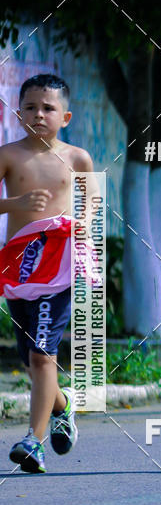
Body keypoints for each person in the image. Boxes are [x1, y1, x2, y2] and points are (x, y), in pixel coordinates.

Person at [0, 74, 94, 473]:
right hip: (18, 267)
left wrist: (86, 220)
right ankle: (64, 404)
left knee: (42, 356)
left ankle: (33, 442)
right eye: (31, 107)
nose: (39, 114)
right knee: (32, 358)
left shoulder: (77, 158)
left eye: (49, 108)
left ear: (66, 116)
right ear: (18, 113)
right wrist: (16, 202)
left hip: (58, 267)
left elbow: (90, 199)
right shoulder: (8, 155)